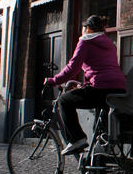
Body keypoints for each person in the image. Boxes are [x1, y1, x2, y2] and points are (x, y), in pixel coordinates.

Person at [45, 15, 126, 155]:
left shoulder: (85, 41)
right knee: (100, 128)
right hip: (118, 87)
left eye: (83, 29)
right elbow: (102, 68)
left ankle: (77, 139)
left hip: (100, 88)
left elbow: (72, 68)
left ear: (87, 29)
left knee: (64, 100)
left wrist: (53, 81)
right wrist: (87, 83)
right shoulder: (109, 43)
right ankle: (100, 164)